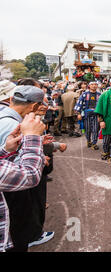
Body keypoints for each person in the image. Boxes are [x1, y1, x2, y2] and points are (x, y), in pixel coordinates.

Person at [0, 86, 54, 252]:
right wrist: (32, 141)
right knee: (18, 231)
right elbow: (29, 175)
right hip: (11, 193)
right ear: (34, 107)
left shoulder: (4, 116)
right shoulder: (13, 124)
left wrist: (8, 150)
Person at [74, 81, 101, 150]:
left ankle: (94, 143)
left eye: (95, 84)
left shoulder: (99, 94)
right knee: (87, 129)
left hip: (96, 114)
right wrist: (78, 113)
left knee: (95, 129)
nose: (94, 86)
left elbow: (102, 105)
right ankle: (88, 141)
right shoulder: (84, 94)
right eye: (92, 84)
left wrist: (101, 116)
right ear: (89, 86)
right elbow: (79, 103)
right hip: (87, 114)